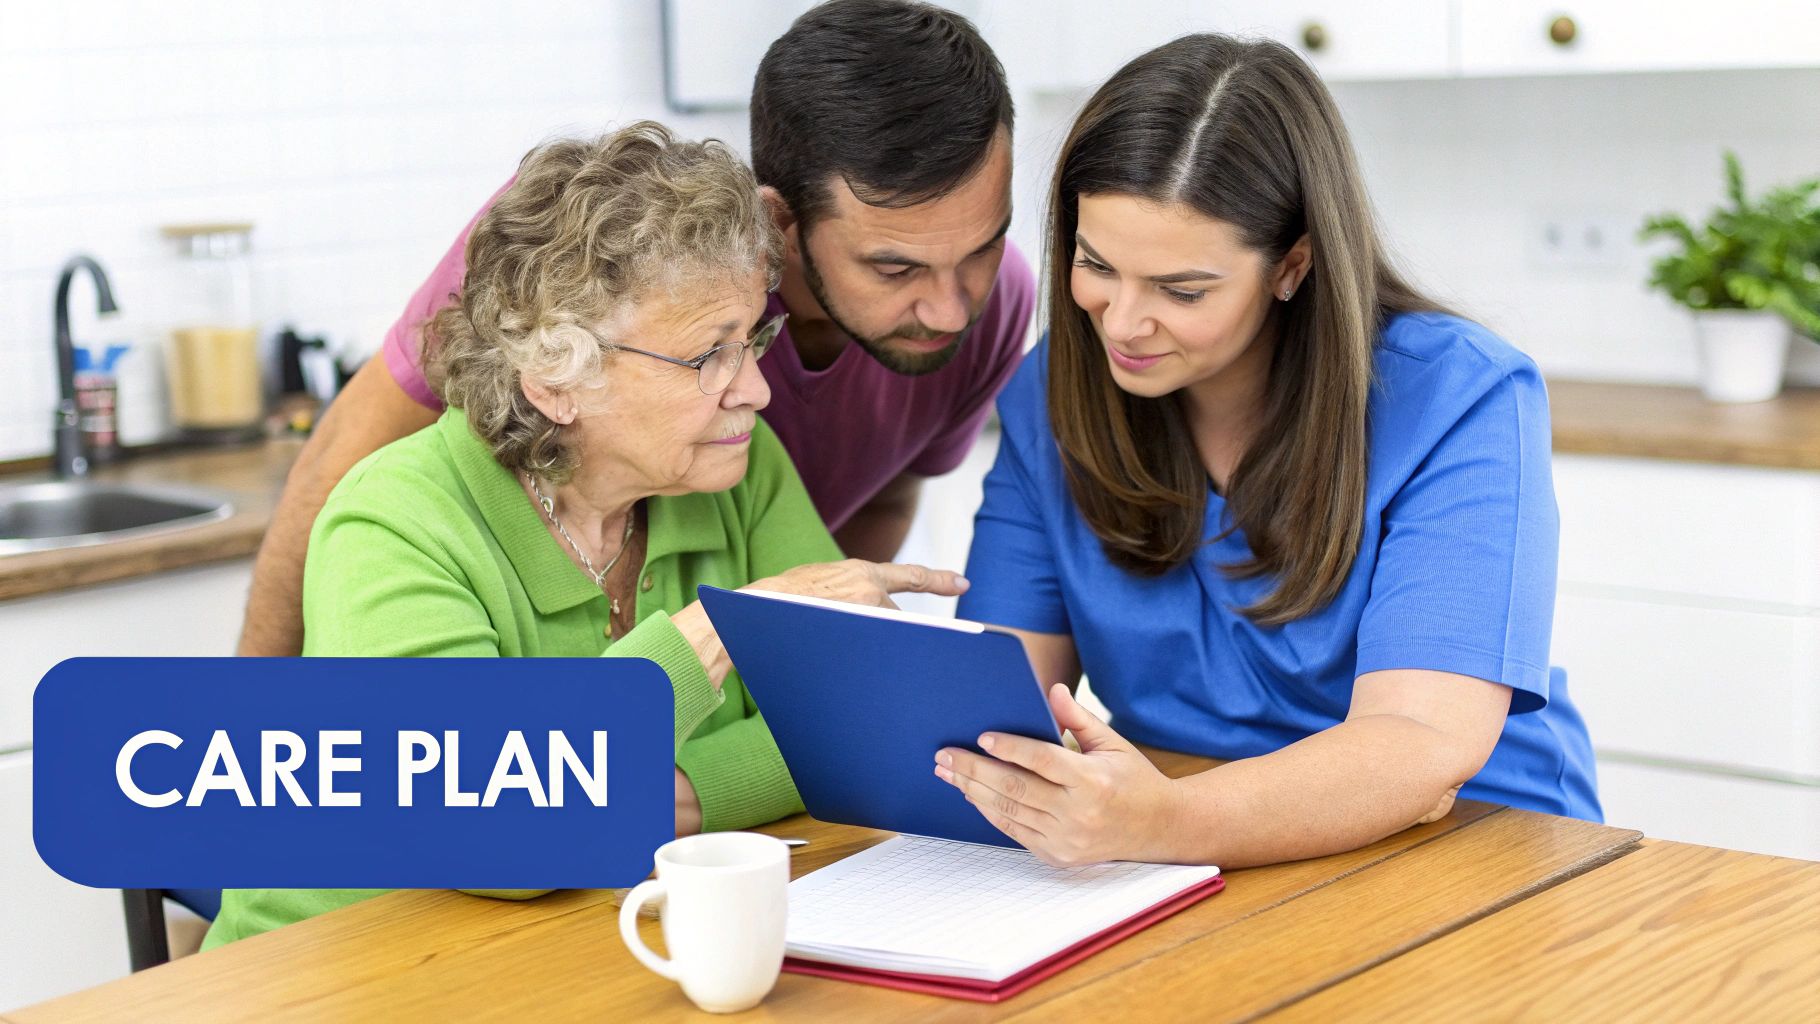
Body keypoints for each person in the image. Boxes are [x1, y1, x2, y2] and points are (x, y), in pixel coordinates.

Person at [203, 124, 965, 948]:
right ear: (556, 378)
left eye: (752, 340)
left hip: (586, 947)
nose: (754, 389)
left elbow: (858, 729)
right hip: (343, 975)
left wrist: (669, 791)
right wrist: (723, 629)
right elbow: (498, 837)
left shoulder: (734, 470)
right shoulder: (394, 521)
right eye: (709, 354)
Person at [936, 34, 1600, 870]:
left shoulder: (1460, 395)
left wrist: (1161, 824)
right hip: (1186, 846)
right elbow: (999, 702)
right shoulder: (1050, 398)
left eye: (1182, 290)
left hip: (1474, 843)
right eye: (1096, 264)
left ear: (1292, 265)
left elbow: (1422, 743)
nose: (1123, 322)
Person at [237, 0, 1034, 657]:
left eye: (983, 249)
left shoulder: (759, 460)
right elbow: (348, 475)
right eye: (894, 269)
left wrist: (806, 628)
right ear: (780, 227)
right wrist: (245, 747)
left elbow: (839, 679)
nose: (953, 308)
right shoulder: (588, 260)